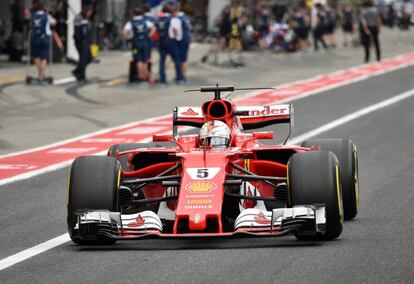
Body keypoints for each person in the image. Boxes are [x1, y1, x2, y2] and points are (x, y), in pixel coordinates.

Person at [123, 6, 155, 83]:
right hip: (145, 43)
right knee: (145, 60)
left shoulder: (131, 22)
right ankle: (146, 77)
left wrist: (128, 38)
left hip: (135, 44)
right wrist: (149, 35)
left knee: (138, 60)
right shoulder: (145, 21)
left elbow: (124, 32)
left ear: (133, 14)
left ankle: (141, 77)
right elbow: (153, 28)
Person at [30, 2, 56, 84]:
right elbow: (54, 22)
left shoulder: (33, 17)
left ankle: (40, 74)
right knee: (43, 58)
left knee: (36, 57)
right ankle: (41, 77)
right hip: (45, 39)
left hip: (35, 39)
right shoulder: (46, 16)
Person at [72, 6, 93, 83]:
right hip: (81, 42)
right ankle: (82, 76)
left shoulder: (87, 19)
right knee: (83, 59)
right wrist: (80, 41)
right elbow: (77, 32)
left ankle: (77, 71)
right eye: (89, 12)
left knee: (89, 58)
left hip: (87, 42)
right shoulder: (79, 18)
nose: (90, 14)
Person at [178, 9, 192, 81]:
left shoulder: (179, 18)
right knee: (185, 59)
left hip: (181, 40)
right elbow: (190, 27)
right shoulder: (186, 18)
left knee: (181, 59)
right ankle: (184, 75)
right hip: (187, 39)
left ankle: (182, 75)